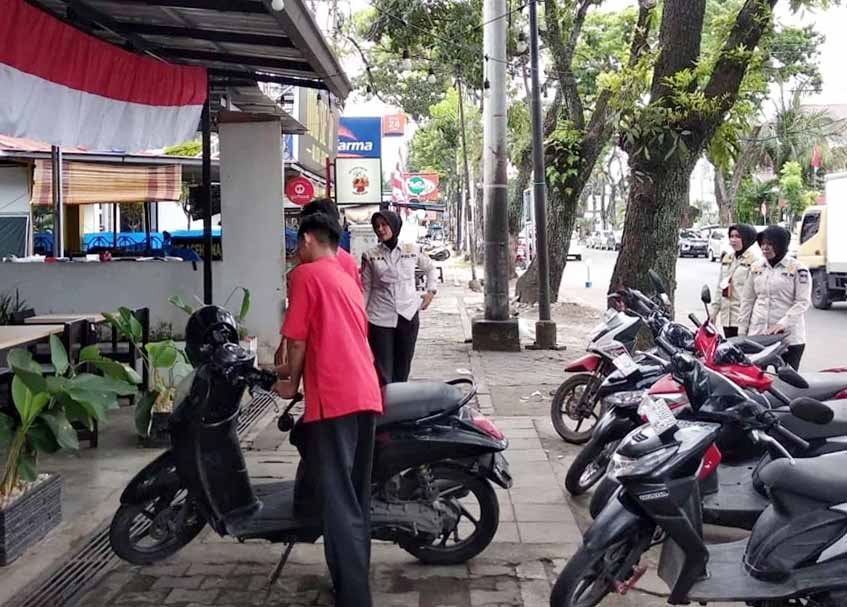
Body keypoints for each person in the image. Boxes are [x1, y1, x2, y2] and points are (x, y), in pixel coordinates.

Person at [273, 212, 382, 607]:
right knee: (355, 500)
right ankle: (350, 584)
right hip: (366, 393)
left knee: (338, 504)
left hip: (335, 398)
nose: (294, 252)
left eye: (295, 244)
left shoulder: (305, 275)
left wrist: (289, 382)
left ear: (307, 239)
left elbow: (298, 341)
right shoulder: (344, 275)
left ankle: (355, 598)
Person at [361, 210, 438, 384]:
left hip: (408, 315)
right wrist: (360, 315)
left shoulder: (412, 250)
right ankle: (386, 400)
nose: (380, 229)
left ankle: (400, 398)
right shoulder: (370, 255)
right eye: (377, 226)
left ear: (394, 225)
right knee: (383, 371)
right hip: (379, 318)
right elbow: (366, 288)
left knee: (403, 368)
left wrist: (431, 291)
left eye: (384, 225)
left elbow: (430, 268)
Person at [738, 225, 811, 370]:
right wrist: (742, 330)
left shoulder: (798, 269)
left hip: (788, 338)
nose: (765, 248)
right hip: (758, 335)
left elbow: (802, 302)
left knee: (786, 381)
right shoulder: (756, 267)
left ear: (781, 245)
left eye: (770, 244)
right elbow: (747, 300)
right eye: (762, 243)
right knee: (754, 378)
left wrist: (782, 324)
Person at [711, 224, 761, 338]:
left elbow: (756, 294)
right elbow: (720, 287)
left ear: (746, 238)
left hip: (744, 318)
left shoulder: (755, 262)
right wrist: (713, 313)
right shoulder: (727, 258)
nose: (733, 240)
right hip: (727, 317)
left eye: (738, 236)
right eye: (731, 236)